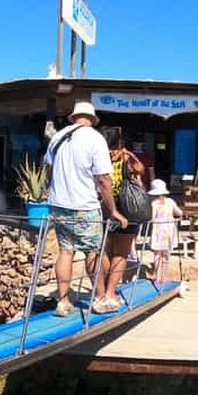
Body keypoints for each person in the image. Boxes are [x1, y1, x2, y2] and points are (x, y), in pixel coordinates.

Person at [45, 102, 128, 317]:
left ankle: (63, 302)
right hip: (84, 205)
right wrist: (113, 210)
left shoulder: (58, 137)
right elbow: (103, 179)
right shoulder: (95, 139)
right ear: (92, 119)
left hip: (59, 204)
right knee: (93, 251)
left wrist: (53, 190)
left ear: (74, 117)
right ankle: (101, 299)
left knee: (65, 251)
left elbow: (48, 168)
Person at [95, 127, 145, 314]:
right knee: (121, 253)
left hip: (104, 207)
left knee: (105, 251)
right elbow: (140, 170)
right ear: (120, 143)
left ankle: (102, 292)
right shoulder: (125, 159)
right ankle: (110, 292)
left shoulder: (99, 159)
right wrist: (130, 155)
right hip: (126, 208)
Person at [148, 179, 182, 284]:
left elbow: (152, 218)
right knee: (166, 255)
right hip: (169, 230)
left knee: (157, 254)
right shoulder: (170, 202)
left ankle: (157, 277)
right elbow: (179, 212)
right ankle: (164, 276)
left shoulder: (154, 203)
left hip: (158, 230)